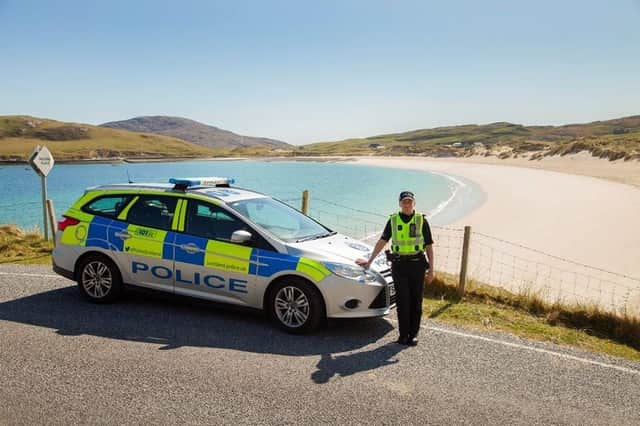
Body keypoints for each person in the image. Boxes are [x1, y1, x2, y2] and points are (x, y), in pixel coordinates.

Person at [357, 191, 434, 346]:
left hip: (417, 264)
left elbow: (429, 246)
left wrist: (432, 269)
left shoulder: (421, 220)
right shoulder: (393, 220)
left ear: (414, 203)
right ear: (400, 203)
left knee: (415, 301)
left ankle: (413, 335)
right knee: (402, 301)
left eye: (409, 201)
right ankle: (403, 335)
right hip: (399, 266)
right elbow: (383, 241)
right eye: (404, 202)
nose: (407, 204)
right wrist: (370, 261)